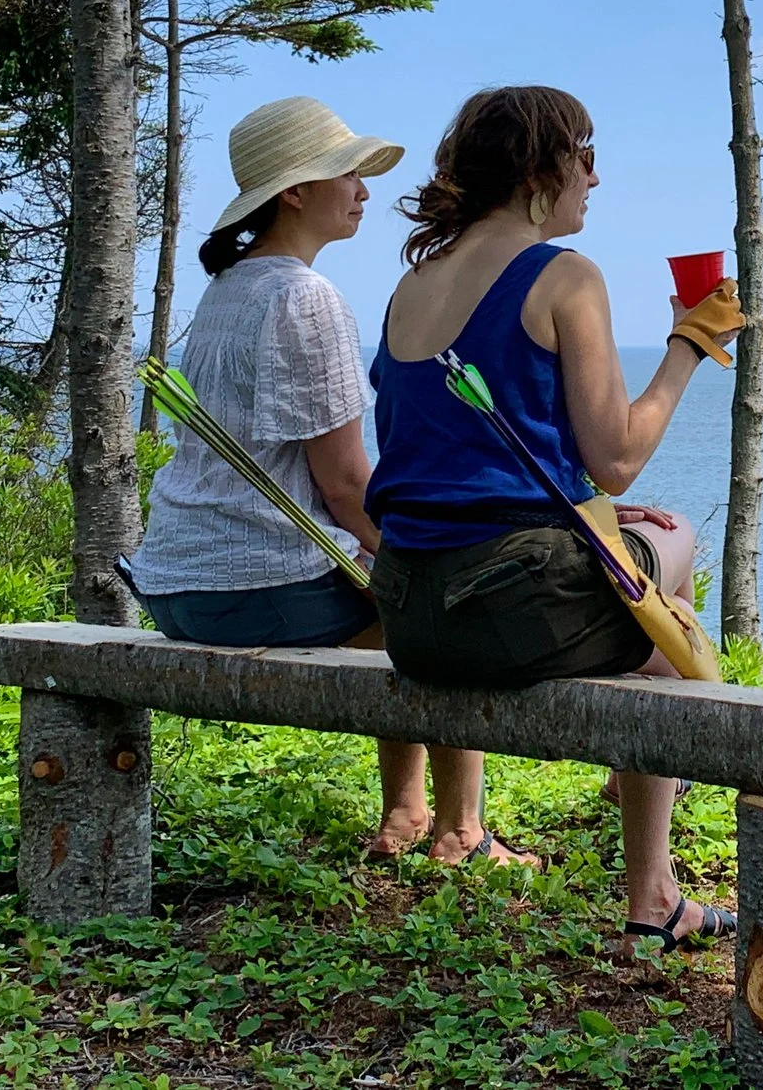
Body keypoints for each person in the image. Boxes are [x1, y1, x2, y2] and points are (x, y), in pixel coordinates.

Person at [363, 84, 746, 952]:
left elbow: (448, 464)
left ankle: (643, 779)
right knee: (671, 582)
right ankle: (652, 882)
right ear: (540, 169)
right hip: (505, 613)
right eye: (584, 153)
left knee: (653, 564)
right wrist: (689, 342)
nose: (595, 177)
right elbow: (616, 456)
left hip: (413, 617)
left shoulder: (409, 286)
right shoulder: (565, 276)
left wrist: (594, 512)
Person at [129, 96, 534, 870]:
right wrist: (433, 554)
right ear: (295, 191)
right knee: (436, 613)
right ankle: (461, 831)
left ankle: (408, 809)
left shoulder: (228, 291)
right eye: (347, 172)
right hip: (256, 582)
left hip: (178, 580)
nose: (364, 189)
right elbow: (348, 485)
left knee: (391, 590)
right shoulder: (305, 297)